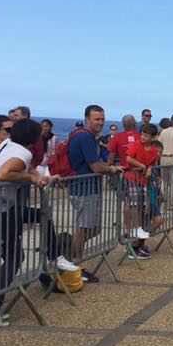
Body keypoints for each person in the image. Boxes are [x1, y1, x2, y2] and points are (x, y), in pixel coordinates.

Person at [0, 119, 50, 327]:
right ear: (34, 139)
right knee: (16, 256)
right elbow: (3, 174)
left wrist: (37, 176)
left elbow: (29, 168)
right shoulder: (23, 152)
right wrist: (32, 179)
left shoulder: (7, 145)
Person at [68, 104, 124, 279]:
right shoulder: (85, 138)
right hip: (84, 189)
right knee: (84, 227)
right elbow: (96, 166)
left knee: (94, 228)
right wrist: (112, 168)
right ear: (87, 119)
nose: (100, 122)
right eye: (96, 119)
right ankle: (75, 264)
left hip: (87, 188)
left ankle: (68, 255)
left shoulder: (88, 137)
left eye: (102, 119)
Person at [124, 123, 161, 259]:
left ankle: (138, 241)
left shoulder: (154, 151)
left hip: (143, 181)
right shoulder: (136, 144)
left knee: (141, 205)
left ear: (153, 137)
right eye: (142, 135)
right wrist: (142, 166)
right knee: (134, 203)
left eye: (146, 136)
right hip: (132, 178)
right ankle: (136, 229)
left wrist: (149, 168)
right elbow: (128, 158)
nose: (143, 137)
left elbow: (152, 164)